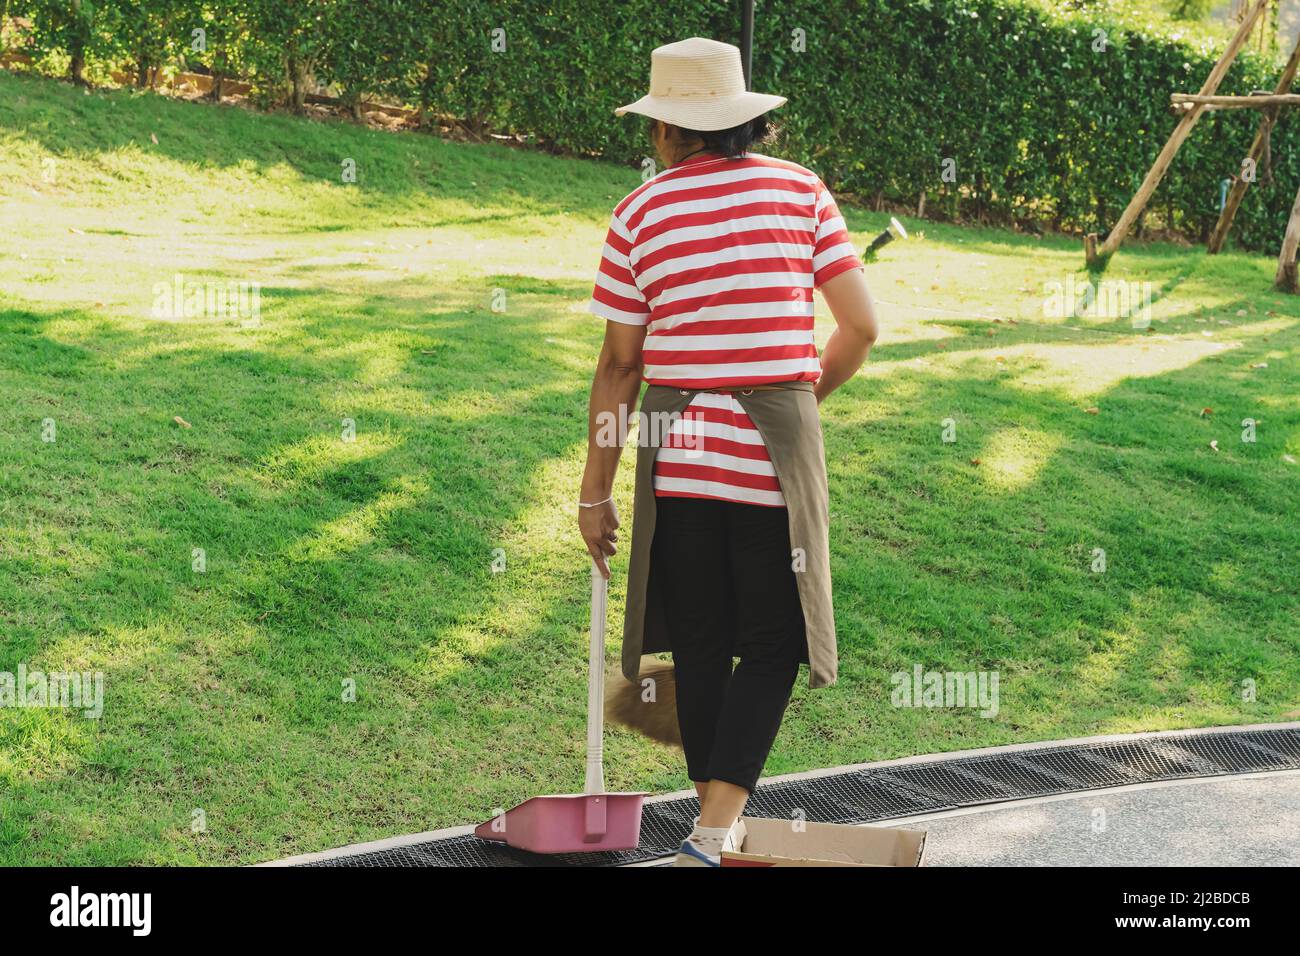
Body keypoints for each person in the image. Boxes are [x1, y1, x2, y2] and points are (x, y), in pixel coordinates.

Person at [578, 37, 879, 866]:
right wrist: (796, 400)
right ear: (742, 121)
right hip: (768, 466)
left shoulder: (638, 213)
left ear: (668, 131)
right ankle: (715, 830)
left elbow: (620, 366)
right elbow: (861, 328)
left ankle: (710, 830)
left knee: (703, 643)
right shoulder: (802, 192)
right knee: (775, 640)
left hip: (677, 457)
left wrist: (593, 493)